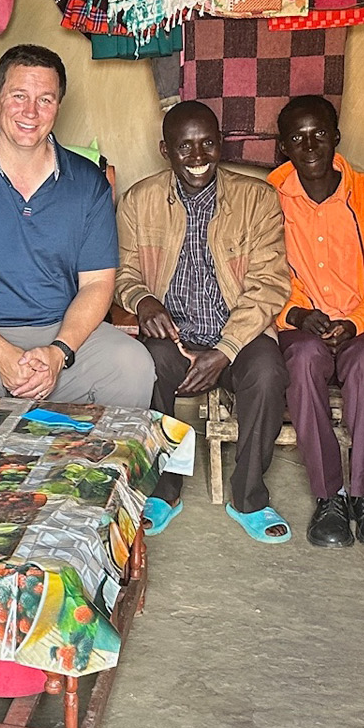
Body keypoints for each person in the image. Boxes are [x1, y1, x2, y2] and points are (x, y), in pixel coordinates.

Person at [0, 44, 155, 406]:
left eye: (45, 99)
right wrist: (2, 354)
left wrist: (59, 353)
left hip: (63, 333)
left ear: (59, 105)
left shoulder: (88, 183)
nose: (30, 112)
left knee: (132, 364)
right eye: (18, 96)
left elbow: (97, 284)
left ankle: (90, 465)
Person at [117, 102, 292, 543]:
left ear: (222, 145)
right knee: (148, 367)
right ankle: (164, 489)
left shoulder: (257, 199)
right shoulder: (139, 200)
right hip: (173, 335)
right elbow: (124, 274)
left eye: (208, 144)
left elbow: (269, 284)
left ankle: (248, 496)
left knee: (269, 373)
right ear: (165, 150)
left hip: (238, 336)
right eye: (184, 147)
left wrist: (226, 350)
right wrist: (143, 301)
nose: (198, 157)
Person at [266, 95, 364, 549]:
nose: (310, 145)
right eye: (298, 137)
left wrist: (358, 321)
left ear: (337, 137)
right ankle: (329, 496)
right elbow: (264, 271)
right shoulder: (268, 196)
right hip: (303, 324)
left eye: (320, 134)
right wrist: (298, 313)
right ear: (283, 145)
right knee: (302, 362)